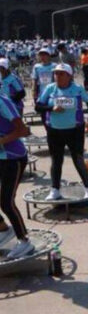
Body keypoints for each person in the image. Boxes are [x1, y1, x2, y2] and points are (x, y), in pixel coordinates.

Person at [35, 63, 88, 201]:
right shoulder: (50, 88)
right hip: (54, 130)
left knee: (78, 159)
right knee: (56, 160)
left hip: (75, 130)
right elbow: (38, 106)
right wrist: (51, 108)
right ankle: (55, 189)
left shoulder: (77, 89)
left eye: (61, 74)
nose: (57, 76)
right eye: (56, 73)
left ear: (69, 76)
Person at [0, 93, 32, 259]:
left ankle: (24, 241)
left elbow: (22, 130)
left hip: (13, 158)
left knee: (6, 202)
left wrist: (2, 141)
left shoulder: (2, 101)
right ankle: (4, 229)